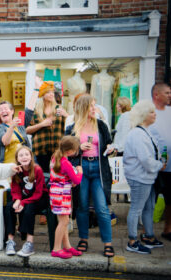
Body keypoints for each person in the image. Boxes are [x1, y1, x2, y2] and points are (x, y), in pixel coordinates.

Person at [65, 94, 115, 257]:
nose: (96, 109)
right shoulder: (71, 128)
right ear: (83, 108)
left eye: (95, 105)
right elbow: (66, 151)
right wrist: (79, 147)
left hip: (99, 168)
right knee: (82, 206)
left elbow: (108, 143)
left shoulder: (101, 125)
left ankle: (108, 242)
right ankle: (83, 239)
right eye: (92, 106)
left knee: (102, 207)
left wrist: (111, 149)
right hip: (81, 168)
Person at [124, 100, 165, 254]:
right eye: (151, 112)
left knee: (149, 208)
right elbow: (145, 159)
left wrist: (158, 163)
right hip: (140, 177)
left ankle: (148, 236)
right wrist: (159, 165)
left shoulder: (144, 131)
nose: (155, 114)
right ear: (143, 115)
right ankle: (132, 241)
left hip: (147, 177)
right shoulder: (137, 134)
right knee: (136, 209)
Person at [4, 146, 47, 257]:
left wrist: (23, 203)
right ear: (17, 159)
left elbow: (38, 194)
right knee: (9, 207)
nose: (24, 157)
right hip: (23, 199)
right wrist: (17, 201)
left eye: (27, 154)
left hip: (40, 199)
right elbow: (15, 189)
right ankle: (10, 241)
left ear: (31, 157)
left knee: (29, 208)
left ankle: (29, 243)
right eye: (21, 155)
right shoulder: (16, 171)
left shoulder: (37, 169)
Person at [49, 136, 83, 259]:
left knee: (63, 220)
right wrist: (80, 171)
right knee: (64, 221)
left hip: (56, 193)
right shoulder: (66, 162)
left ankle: (67, 246)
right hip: (62, 194)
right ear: (70, 151)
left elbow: (62, 176)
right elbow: (76, 180)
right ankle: (57, 249)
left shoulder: (55, 158)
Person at [26, 81, 68, 173]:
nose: (51, 94)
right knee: (43, 176)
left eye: (52, 92)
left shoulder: (59, 109)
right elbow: (26, 130)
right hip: (40, 150)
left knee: (58, 175)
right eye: (48, 92)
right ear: (42, 94)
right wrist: (41, 124)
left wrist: (66, 115)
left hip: (58, 150)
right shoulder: (35, 110)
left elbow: (70, 127)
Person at [149, 83, 171, 242]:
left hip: (170, 165)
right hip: (154, 165)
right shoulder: (150, 113)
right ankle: (147, 231)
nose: (170, 95)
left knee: (170, 198)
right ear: (157, 95)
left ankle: (168, 229)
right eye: (167, 92)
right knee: (151, 198)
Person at [0, 89, 39, 163]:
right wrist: (12, 126)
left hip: (24, 164)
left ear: (12, 111)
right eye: (0, 110)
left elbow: (29, 110)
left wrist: (36, 89)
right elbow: (5, 142)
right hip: (8, 166)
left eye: (5, 108)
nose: (3, 111)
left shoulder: (20, 124)